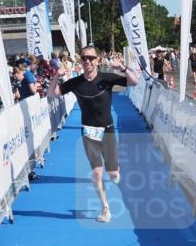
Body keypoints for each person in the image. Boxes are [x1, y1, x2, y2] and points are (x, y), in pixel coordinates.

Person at [49, 45, 138, 223]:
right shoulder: (76, 82)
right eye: (84, 58)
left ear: (97, 60)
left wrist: (122, 67)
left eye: (91, 58)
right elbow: (52, 94)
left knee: (113, 175)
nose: (87, 61)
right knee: (97, 174)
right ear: (81, 61)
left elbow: (134, 82)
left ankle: (115, 170)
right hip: (89, 132)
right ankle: (105, 208)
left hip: (107, 130)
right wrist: (57, 75)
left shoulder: (107, 78)